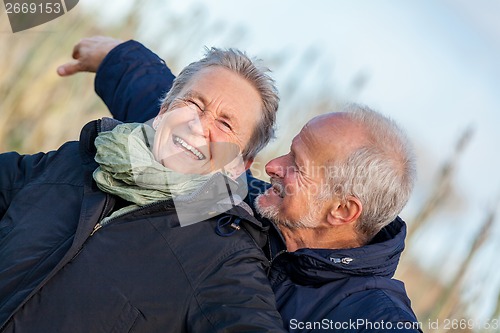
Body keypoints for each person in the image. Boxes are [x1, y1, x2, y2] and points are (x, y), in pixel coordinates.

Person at [57, 37, 423, 332]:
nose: (274, 166)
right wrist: (120, 60)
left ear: (342, 210)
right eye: (287, 152)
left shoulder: (374, 318)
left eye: (297, 165)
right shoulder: (243, 200)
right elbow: (189, 134)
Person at [0, 44, 287, 332]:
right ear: (164, 110)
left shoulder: (224, 259)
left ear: (241, 164)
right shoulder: (76, 161)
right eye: (194, 104)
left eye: (225, 124)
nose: (197, 126)